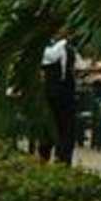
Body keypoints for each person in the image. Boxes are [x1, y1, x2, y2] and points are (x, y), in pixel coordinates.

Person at [37, 34, 77, 166]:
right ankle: (62, 159)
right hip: (64, 94)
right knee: (65, 127)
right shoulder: (65, 49)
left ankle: (46, 157)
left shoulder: (46, 50)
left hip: (50, 93)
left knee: (50, 126)